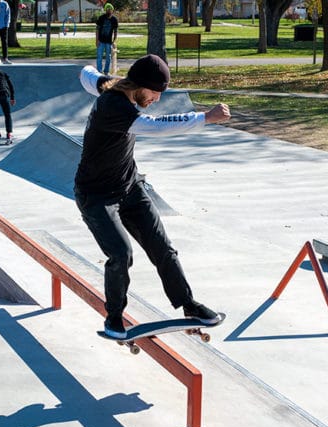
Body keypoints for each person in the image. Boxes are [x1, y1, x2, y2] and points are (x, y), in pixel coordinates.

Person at [75, 55, 231, 339]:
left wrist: (95, 74)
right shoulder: (115, 107)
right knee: (121, 254)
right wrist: (205, 118)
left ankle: (188, 304)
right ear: (139, 86)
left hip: (129, 187)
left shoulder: (111, 86)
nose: (157, 99)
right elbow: (156, 126)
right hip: (96, 196)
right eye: (155, 93)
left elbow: (86, 75)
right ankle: (113, 319)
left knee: (163, 248)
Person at [95, 3, 117, 75]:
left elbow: (115, 31)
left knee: (108, 57)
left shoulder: (114, 20)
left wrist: (114, 41)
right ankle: (99, 71)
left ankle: (106, 71)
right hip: (101, 41)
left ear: (112, 10)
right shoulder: (101, 18)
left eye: (110, 10)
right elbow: (97, 29)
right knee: (99, 57)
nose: (108, 11)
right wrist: (97, 40)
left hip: (109, 42)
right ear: (105, 10)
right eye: (107, 10)